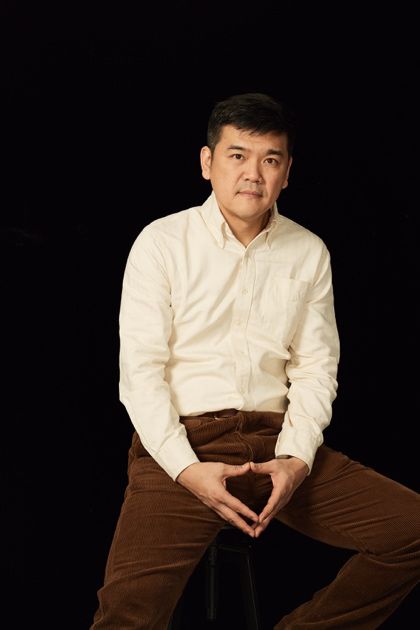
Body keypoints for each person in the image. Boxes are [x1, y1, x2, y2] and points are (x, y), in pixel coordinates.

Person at [91, 92, 420, 629]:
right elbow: (140, 373)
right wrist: (186, 469)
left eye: (270, 159)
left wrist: (295, 458)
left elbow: (315, 368)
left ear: (287, 173)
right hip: (185, 446)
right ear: (207, 162)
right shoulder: (162, 242)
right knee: (127, 616)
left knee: (412, 532)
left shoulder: (308, 251)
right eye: (237, 155)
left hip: (276, 445)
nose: (253, 174)